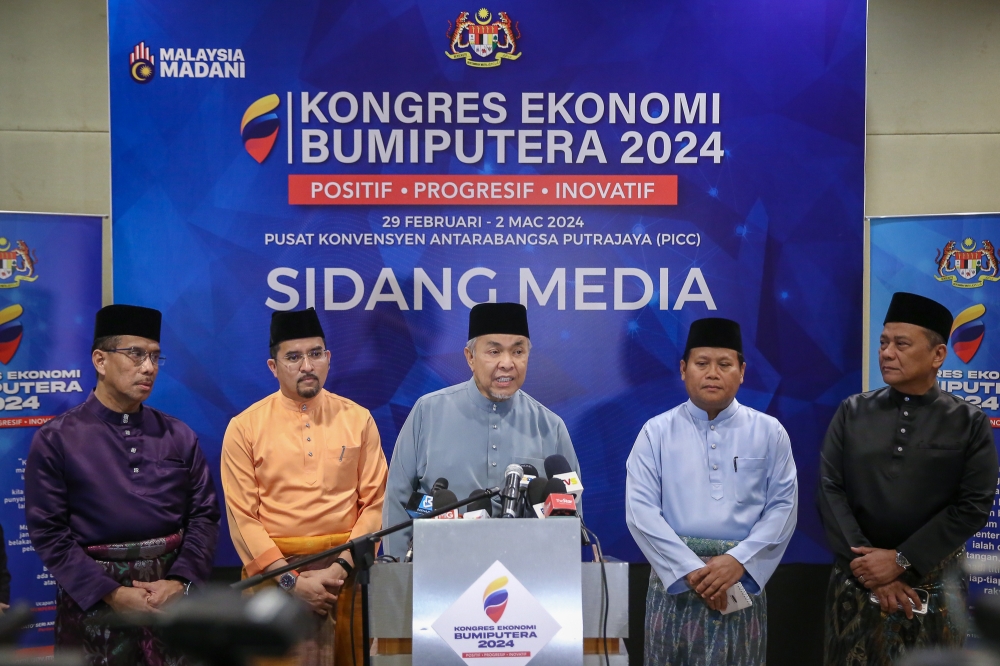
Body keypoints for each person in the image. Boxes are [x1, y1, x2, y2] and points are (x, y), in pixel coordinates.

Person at [25, 304, 220, 666]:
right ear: (100, 360)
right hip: (94, 605)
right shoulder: (57, 439)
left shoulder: (178, 435)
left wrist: (179, 583)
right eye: (135, 354)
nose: (148, 367)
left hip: (170, 600)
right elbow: (48, 531)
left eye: (155, 357)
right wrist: (112, 594)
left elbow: (205, 515)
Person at [819, 291, 997, 664]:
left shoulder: (969, 422)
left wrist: (901, 561)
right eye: (883, 342)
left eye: (901, 344)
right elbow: (830, 489)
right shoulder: (852, 411)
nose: (886, 352)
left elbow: (972, 507)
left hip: (931, 588)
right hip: (857, 582)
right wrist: (871, 570)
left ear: (938, 355)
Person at [625, 317, 798, 665]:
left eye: (724, 364)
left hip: (739, 581)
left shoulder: (769, 432)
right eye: (702, 363)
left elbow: (783, 507)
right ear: (684, 369)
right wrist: (691, 570)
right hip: (674, 581)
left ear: (742, 371)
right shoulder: (656, 432)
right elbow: (640, 511)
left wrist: (738, 561)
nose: (713, 373)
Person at [222, 307, 388, 666]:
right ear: (274, 366)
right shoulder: (244, 428)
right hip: (273, 579)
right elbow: (243, 520)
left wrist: (341, 568)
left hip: (346, 577)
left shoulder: (358, 419)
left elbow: (375, 504)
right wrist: (292, 583)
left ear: (328, 358)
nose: (307, 365)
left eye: (315, 354)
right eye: (293, 357)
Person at [382, 302, 582, 557]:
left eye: (518, 351)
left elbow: (570, 514)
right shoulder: (428, 412)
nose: (507, 363)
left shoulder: (551, 426)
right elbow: (398, 501)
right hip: (438, 575)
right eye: (494, 351)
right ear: (470, 357)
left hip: (529, 577)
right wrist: (402, 579)